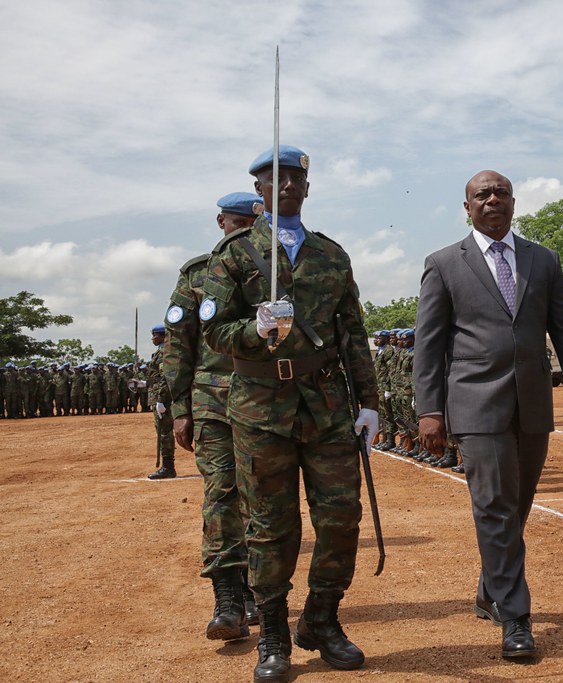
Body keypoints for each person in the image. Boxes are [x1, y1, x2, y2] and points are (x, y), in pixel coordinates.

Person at [202, 145, 378, 680]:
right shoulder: (234, 255)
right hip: (260, 408)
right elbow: (214, 331)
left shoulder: (331, 255)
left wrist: (370, 402)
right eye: (274, 179)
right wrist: (254, 330)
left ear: (307, 186)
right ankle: (275, 635)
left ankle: (322, 618)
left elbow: (353, 333)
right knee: (270, 527)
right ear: (259, 190)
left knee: (341, 518)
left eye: (296, 179)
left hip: (327, 405)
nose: (287, 186)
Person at [414, 170, 563, 660]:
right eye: (483, 194)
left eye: (501, 193)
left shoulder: (543, 259)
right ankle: (515, 616)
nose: (492, 199)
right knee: (495, 505)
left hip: (532, 402)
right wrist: (429, 409)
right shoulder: (443, 264)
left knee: (516, 506)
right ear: (468, 207)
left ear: (514, 203)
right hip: (475, 402)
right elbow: (428, 345)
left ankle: (489, 590)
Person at [162, 192, 262, 641]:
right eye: (235, 223)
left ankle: (256, 588)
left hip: (266, 402)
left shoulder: (278, 271)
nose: (241, 233)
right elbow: (178, 344)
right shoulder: (197, 273)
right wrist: (180, 410)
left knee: (260, 499)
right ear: (221, 222)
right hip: (212, 403)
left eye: (250, 226)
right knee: (222, 494)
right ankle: (228, 598)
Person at [147, 325, 176, 479]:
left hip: (163, 398)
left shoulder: (165, 351)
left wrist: (161, 400)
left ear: (162, 336)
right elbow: (156, 377)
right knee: (162, 431)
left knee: (164, 433)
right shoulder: (159, 352)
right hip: (158, 395)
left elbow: (166, 377)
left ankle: (168, 467)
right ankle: (167, 466)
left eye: (155, 336)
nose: (152, 338)